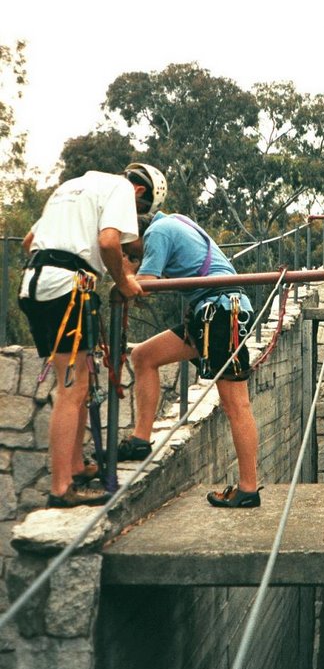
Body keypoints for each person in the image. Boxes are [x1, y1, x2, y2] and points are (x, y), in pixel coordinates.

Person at [18, 163, 167, 508]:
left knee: (79, 380)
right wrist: (125, 281)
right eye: (141, 212)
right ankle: (60, 488)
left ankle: (75, 467)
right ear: (140, 193)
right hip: (66, 290)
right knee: (73, 388)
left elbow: (29, 242)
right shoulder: (119, 190)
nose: (137, 218)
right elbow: (109, 242)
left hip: (34, 284)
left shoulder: (71, 188)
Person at [119, 211, 260, 510]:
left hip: (223, 312)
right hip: (207, 314)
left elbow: (143, 287)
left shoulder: (158, 232)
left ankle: (248, 489)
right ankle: (140, 440)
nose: (131, 257)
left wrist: (124, 274)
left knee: (236, 404)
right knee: (144, 356)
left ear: (135, 236)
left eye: (129, 251)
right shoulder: (172, 223)